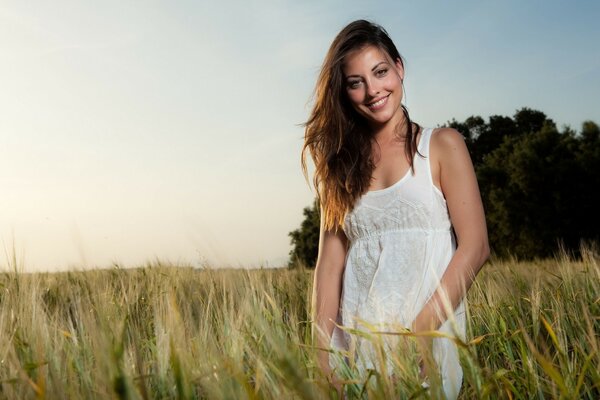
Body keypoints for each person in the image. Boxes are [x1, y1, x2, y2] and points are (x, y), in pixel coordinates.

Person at [301, 20, 489, 399]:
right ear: (345, 91)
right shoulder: (337, 167)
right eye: (356, 82)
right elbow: (330, 266)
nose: (373, 91)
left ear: (399, 68)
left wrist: (423, 329)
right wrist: (322, 356)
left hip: (426, 333)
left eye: (380, 72)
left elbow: (476, 246)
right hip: (357, 339)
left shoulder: (441, 145)